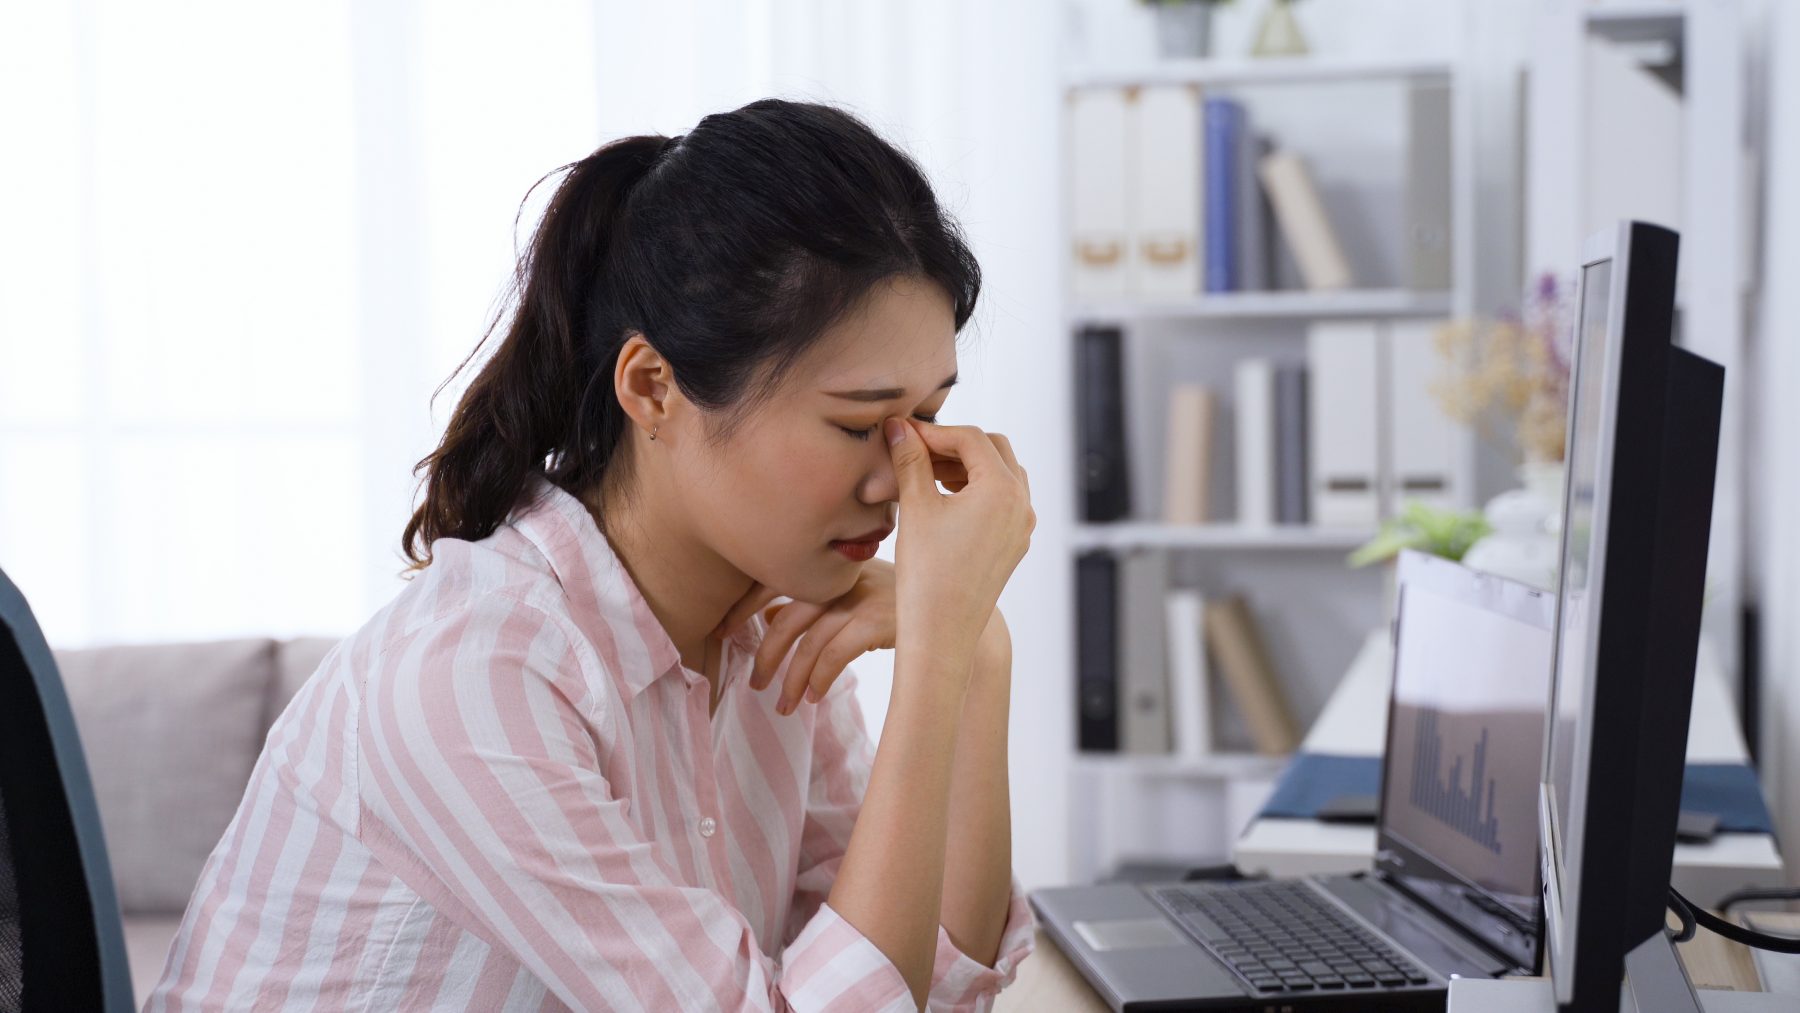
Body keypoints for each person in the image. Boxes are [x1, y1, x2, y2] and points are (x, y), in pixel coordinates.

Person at [145, 98, 1037, 1011]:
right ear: (654, 389)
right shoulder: (475, 673)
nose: (905, 474)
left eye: (926, 417)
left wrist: (976, 653)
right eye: (858, 423)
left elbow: (917, 980)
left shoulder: (779, 628)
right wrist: (935, 647)